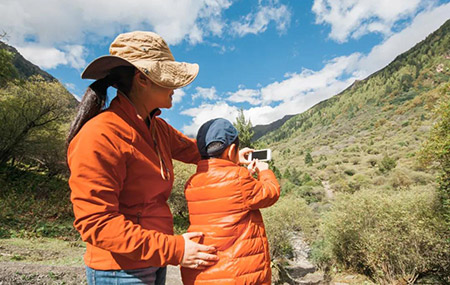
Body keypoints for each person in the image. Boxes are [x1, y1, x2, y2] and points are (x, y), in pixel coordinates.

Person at [66, 31, 220, 284]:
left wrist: (231, 154)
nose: (176, 88)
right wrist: (176, 250)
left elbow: (195, 151)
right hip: (119, 271)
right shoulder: (100, 135)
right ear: (143, 79)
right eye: (169, 78)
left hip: (153, 259)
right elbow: (97, 223)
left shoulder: (157, 128)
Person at [181, 118, 281, 285]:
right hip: (236, 274)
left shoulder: (192, 182)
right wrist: (264, 172)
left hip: (202, 274)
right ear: (232, 149)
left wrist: (237, 169)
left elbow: (228, 199)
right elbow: (271, 193)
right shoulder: (239, 179)